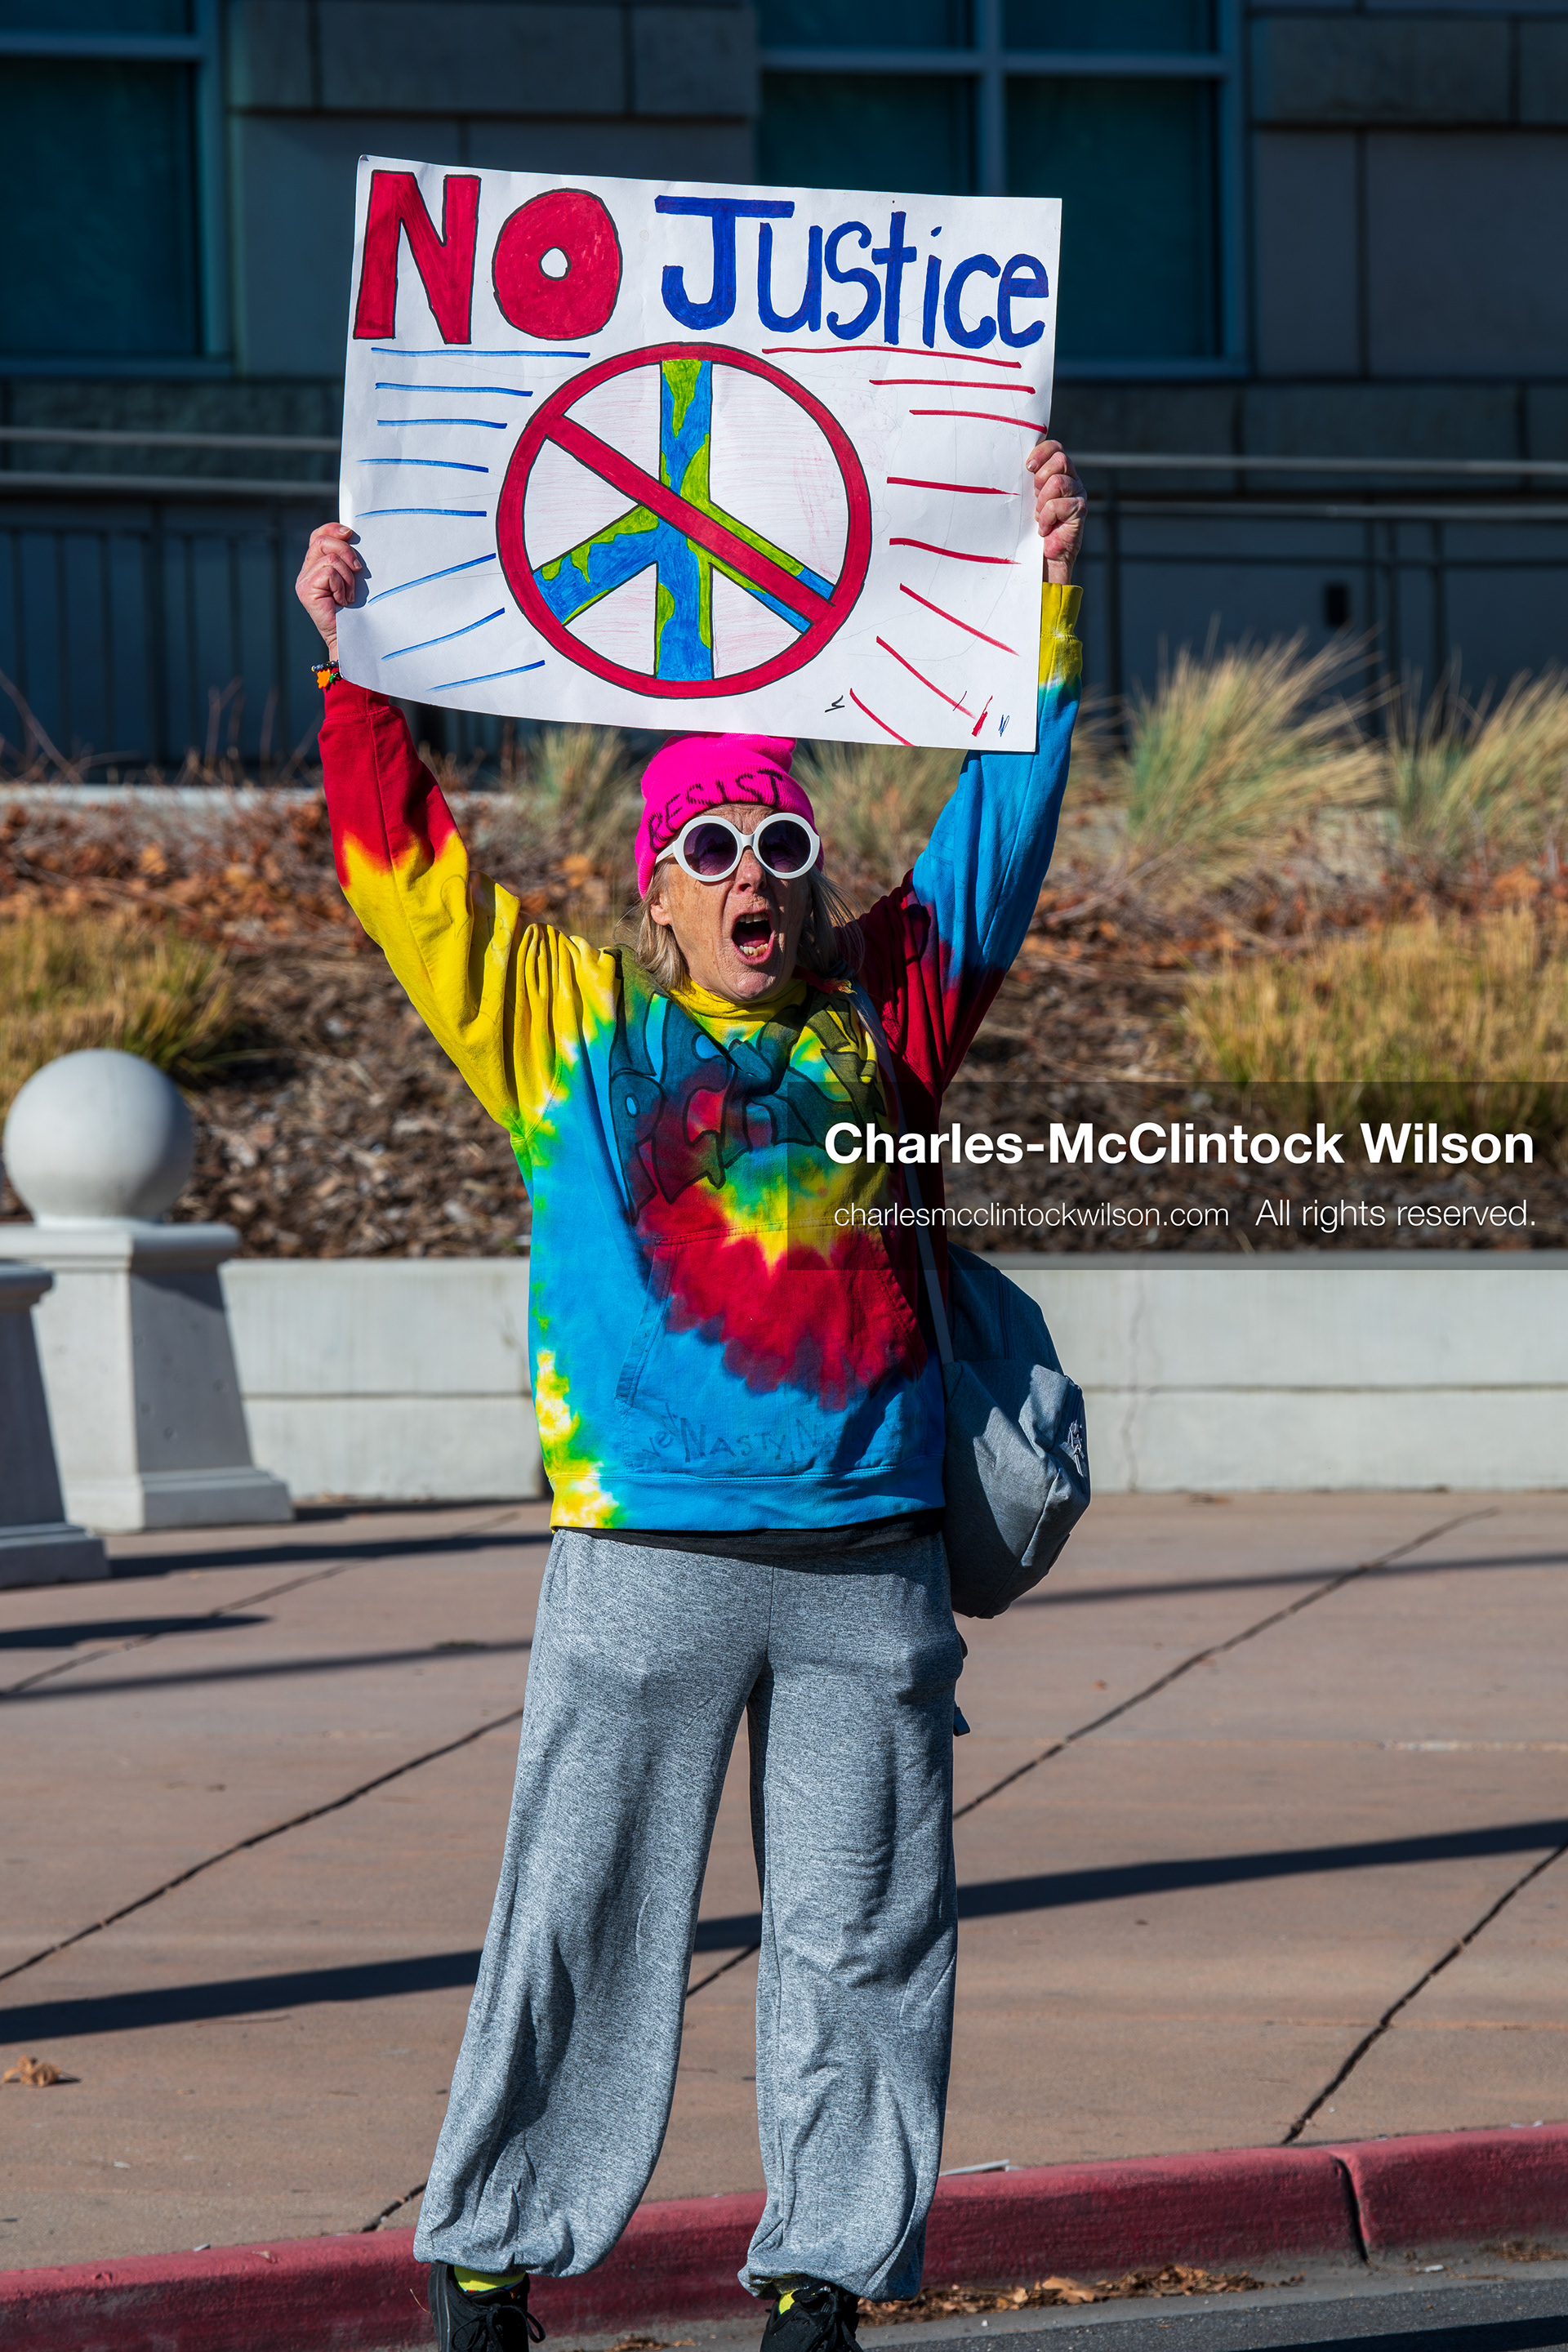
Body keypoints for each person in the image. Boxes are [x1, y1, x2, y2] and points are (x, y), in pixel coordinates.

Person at [295, 437, 1086, 2352]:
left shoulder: (883, 1017)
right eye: (712, 850)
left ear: (816, 890)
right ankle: (489, 2257)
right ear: (656, 896)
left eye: (784, 847)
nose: (754, 877)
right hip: (641, 1561)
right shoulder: (565, 1029)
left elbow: (1003, 821)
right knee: (579, 1929)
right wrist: (355, 668)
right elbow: (408, 876)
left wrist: (1045, 595)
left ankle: (824, 2285)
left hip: (868, 1569)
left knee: (866, 1942)